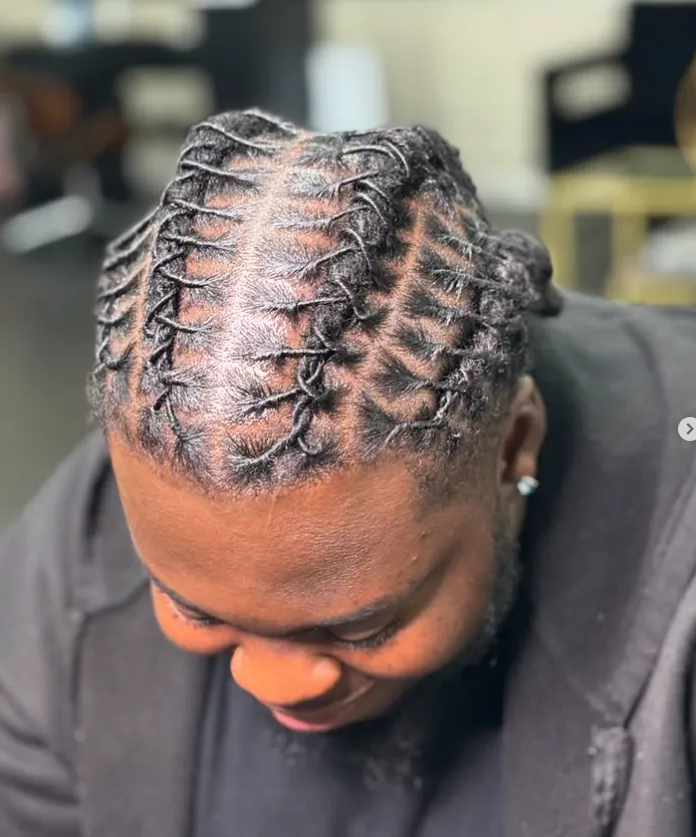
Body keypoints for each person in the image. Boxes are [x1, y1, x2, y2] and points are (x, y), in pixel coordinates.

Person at [0, 108, 695, 837]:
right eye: (196, 610)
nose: (274, 681)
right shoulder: (136, 494)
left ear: (515, 445)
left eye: (361, 625)